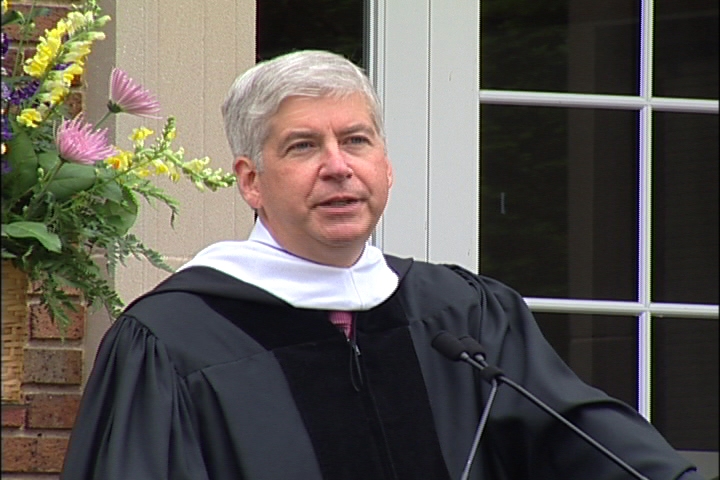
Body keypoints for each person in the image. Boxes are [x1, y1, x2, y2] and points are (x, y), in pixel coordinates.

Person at [61, 50, 704, 480]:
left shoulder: (463, 314)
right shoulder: (173, 341)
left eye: (356, 140)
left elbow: (580, 439)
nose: (338, 165)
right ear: (251, 181)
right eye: (304, 145)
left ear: (385, 166)